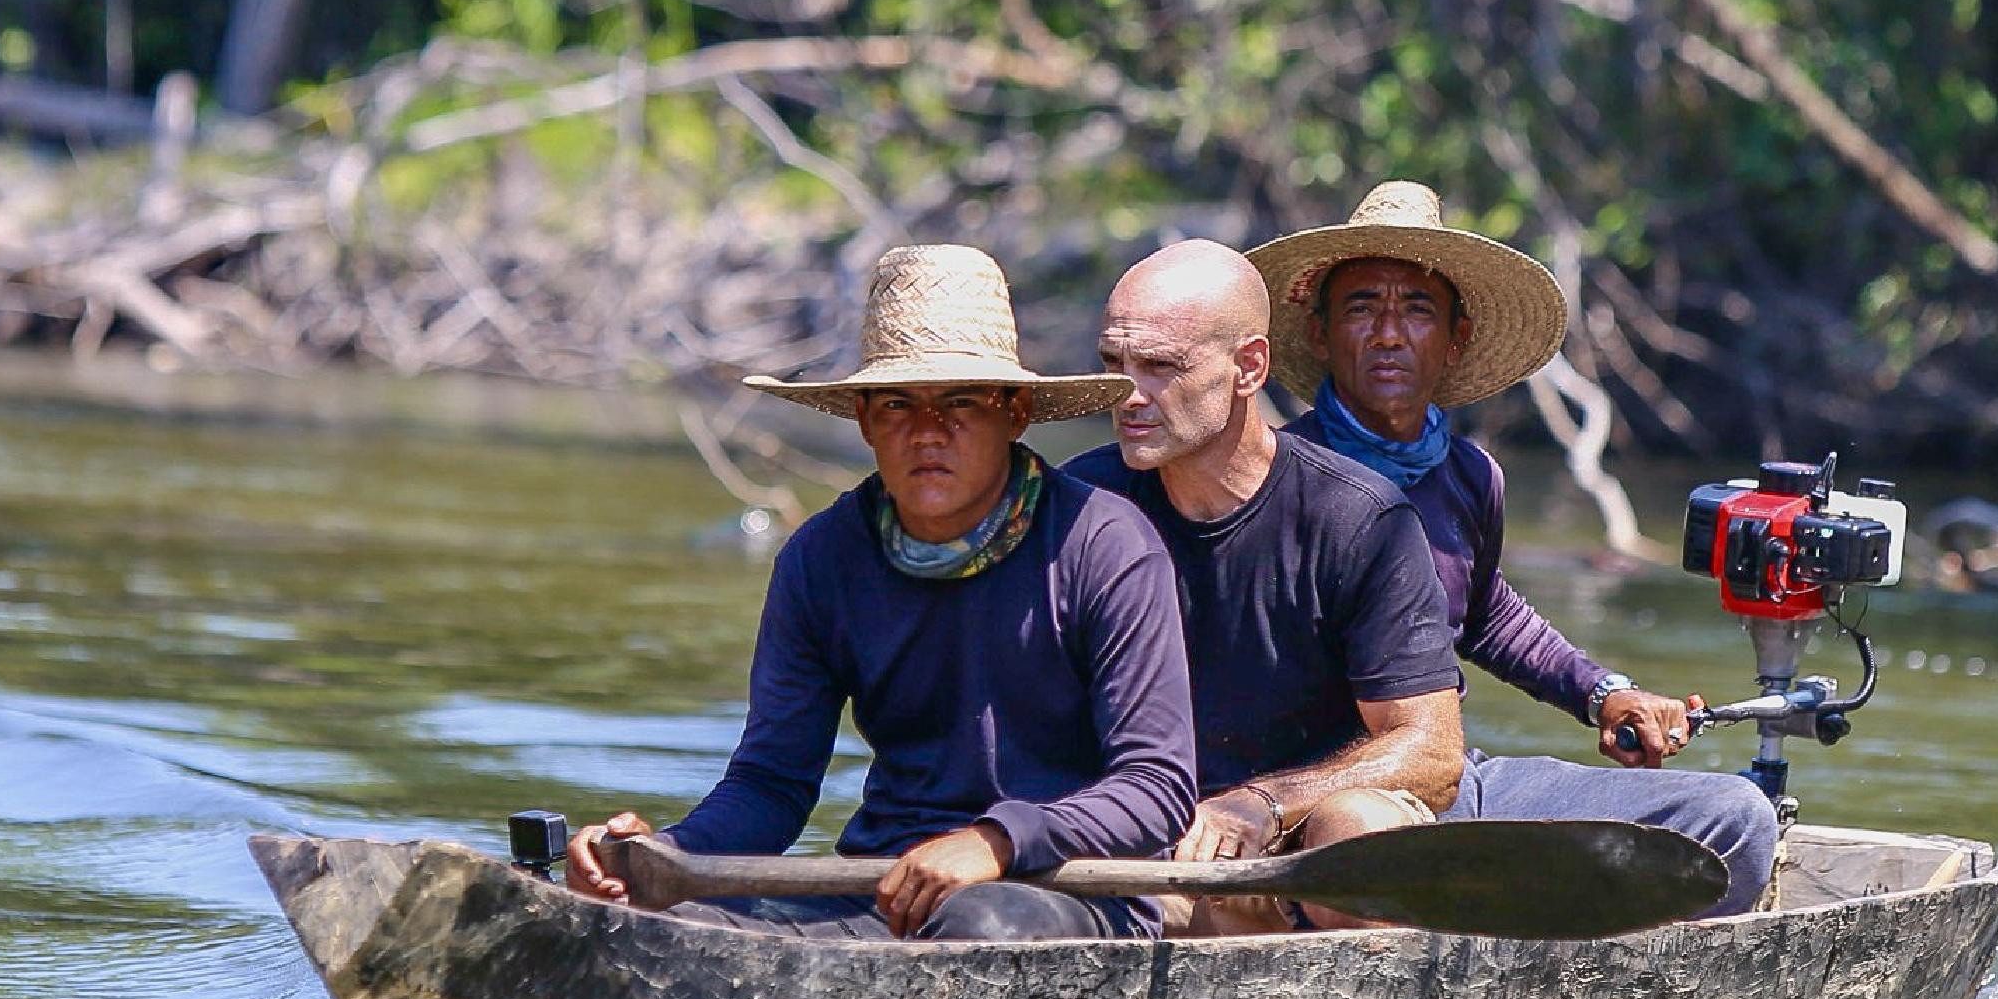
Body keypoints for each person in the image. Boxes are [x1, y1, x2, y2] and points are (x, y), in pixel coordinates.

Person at [564, 244, 1197, 940]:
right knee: (667, 925)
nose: (928, 432)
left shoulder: (1105, 543)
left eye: (962, 402)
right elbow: (772, 785)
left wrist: (996, 842)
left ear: (1015, 412)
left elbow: (1155, 789)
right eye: (899, 405)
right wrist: (664, 861)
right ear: (865, 420)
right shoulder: (822, 558)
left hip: (1068, 888)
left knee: (981, 929)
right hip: (883, 885)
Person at [1250, 181, 1783, 917]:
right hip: (1332, 801)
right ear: (1321, 335)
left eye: (1416, 310)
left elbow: (1487, 614)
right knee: (1363, 849)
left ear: (1455, 339)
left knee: (1736, 820)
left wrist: (1604, 693)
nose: (1388, 333)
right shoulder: (1277, 481)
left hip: (1455, 786)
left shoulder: (1468, 476)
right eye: (1362, 307)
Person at [1061, 241, 1467, 927]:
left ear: (1249, 367)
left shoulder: (1356, 516)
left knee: (1361, 831)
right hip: (1149, 839)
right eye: (1114, 366)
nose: (1128, 396)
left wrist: (1264, 803)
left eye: (1161, 367)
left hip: (1302, 835)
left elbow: (1432, 752)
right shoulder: (1077, 509)